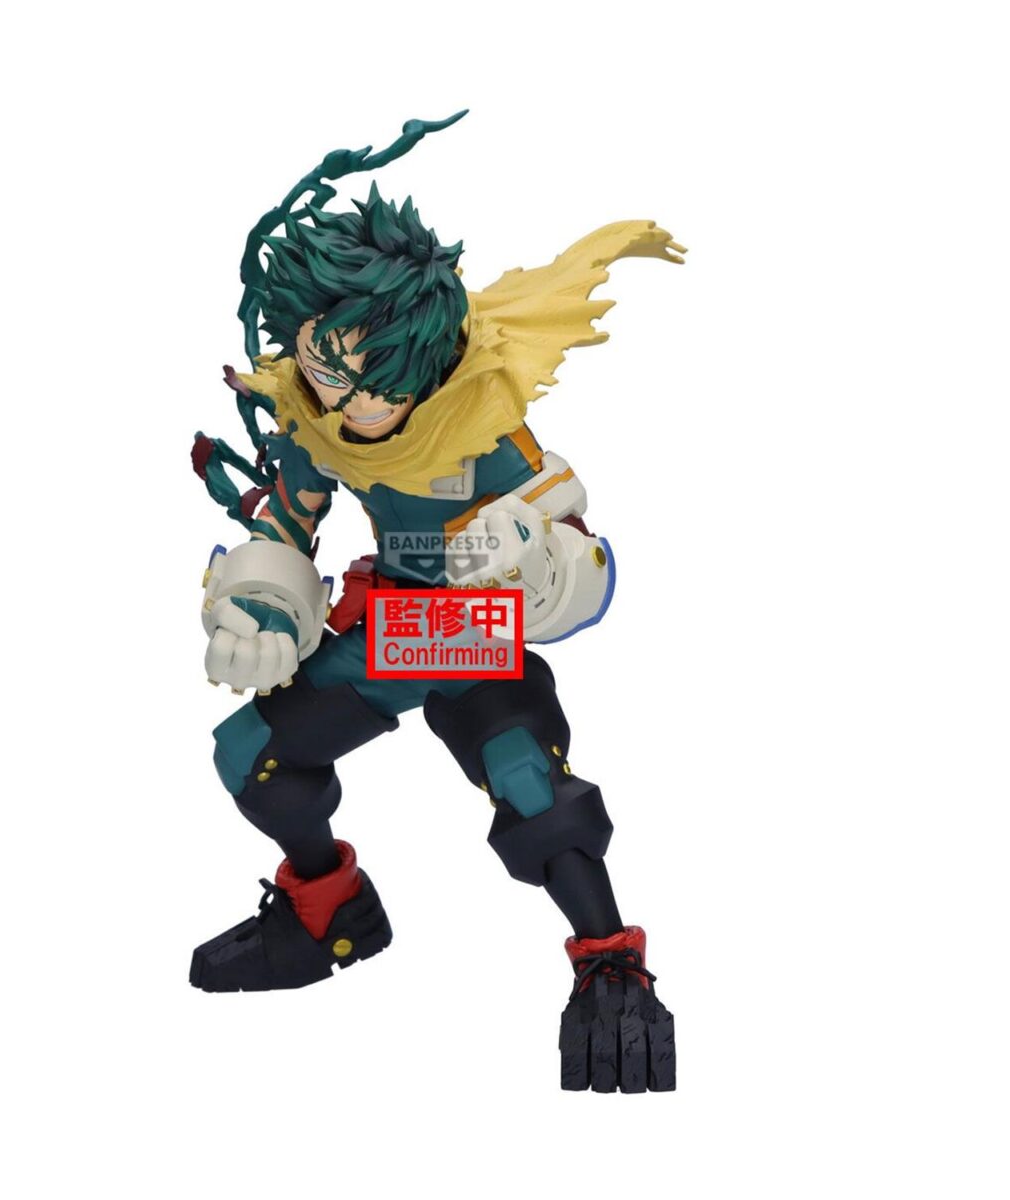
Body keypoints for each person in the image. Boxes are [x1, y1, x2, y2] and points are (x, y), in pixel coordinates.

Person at [189, 114, 684, 1092]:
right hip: (392, 629)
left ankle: (611, 969)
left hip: (469, 632)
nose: (336, 404)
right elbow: (290, 519)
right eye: (319, 372)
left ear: (416, 366)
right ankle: (329, 914)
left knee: (529, 785)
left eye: (358, 384)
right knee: (252, 756)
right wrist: (264, 603)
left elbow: (582, 554)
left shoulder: (482, 429)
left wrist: (538, 562)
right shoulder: (318, 422)